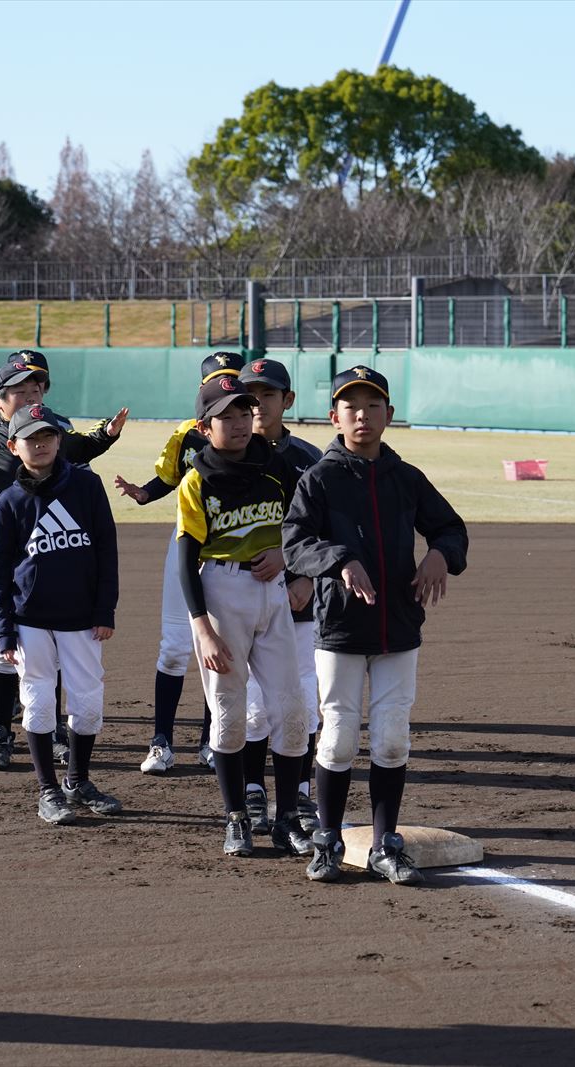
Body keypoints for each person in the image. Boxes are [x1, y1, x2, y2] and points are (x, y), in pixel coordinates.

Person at [283, 365, 468, 887]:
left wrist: (440, 554)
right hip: (341, 628)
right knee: (338, 738)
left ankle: (387, 844)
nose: (362, 415)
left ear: (389, 414)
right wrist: (340, 559)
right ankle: (328, 841)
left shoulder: (406, 478)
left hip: (399, 626)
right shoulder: (319, 478)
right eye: (351, 406)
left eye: (372, 406)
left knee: (391, 739)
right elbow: (295, 543)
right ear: (334, 417)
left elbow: (451, 528)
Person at [0, 353, 127, 770]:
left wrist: (105, 435)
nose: (32, 395)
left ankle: (54, 731)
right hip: (4, 558)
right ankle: (0, 733)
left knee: (53, 650)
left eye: (36, 388)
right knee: (2, 648)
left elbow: (77, 447)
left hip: (54, 554)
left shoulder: (50, 429)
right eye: (20, 391)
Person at [177, 375, 311, 858]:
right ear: (204, 427)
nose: (238, 423)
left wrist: (293, 564)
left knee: (291, 709)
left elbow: (305, 525)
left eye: (243, 413)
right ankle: (236, 818)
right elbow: (185, 559)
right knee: (230, 713)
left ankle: (287, 818)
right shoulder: (197, 480)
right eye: (225, 416)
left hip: (272, 592)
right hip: (221, 591)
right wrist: (201, 627)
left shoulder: (278, 466)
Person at [0, 404, 121, 824]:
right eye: (31, 438)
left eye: (47, 436)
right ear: (14, 446)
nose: (41, 444)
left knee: (88, 704)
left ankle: (77, 780)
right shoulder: (9, 502)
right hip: (30, 619)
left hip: (82, 616)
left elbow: (106, 549)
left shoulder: (86, 485)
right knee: (40, 703)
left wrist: (105, 609)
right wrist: (4, 631)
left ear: (59, 440)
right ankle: (48, 790)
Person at [112, 351, 240, 775]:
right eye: (216, 382)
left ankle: (211, 741)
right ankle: (161, 742)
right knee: (173, 648)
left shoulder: (252, 441)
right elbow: (168, 477)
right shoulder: (187, 434)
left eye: (231, 380)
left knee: (221, 648)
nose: (224, 388)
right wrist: (143, 494)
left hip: (233, 548)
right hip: (187, 541)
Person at [236, 358, 323, 838]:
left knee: (303, 697)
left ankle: (301, 791)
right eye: (249, 396)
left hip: (297, 596)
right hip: (243, 594)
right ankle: (252, 788)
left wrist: (304, 575)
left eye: (267, 395)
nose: (257, 405)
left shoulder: (309, 459)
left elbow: (324, 527)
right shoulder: (225, 456)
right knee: (252, 701)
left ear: (287, 400)